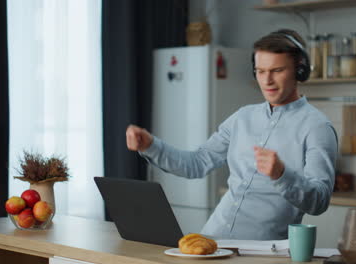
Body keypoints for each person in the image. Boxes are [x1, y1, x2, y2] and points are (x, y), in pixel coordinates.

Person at [126, 29, 338, 240]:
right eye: (261, 71)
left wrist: (282, 174)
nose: (267, 81)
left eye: (277, 70)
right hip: (211, 242)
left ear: (298, 70)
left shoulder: (317, 127)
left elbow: (319, 201)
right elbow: (197, 163)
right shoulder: (242, 117)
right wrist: (150, 145)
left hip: (263, 253)